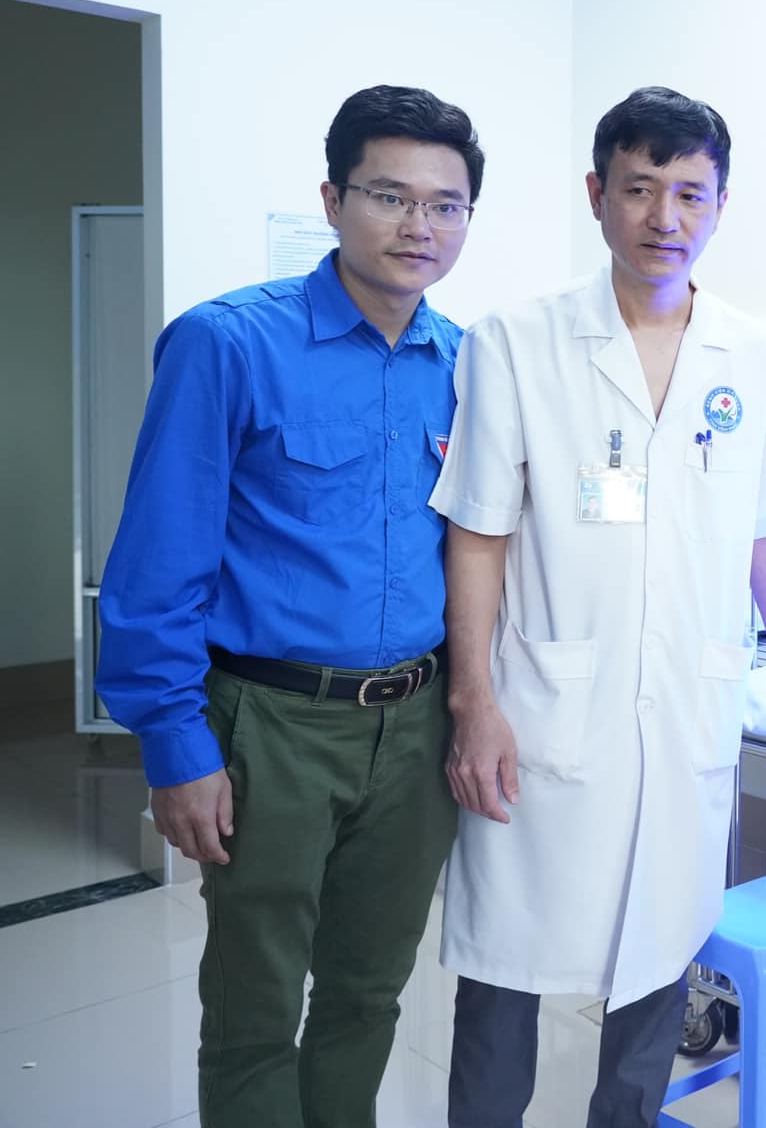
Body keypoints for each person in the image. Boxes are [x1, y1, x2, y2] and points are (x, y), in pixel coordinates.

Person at [431, 86, 766, 1128]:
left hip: (688, 705)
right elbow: (478, 530)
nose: (666, 217)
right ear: (597, 195)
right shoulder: (515, 342)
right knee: (504, 971)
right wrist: (473, 701)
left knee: (658, 960)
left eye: (691, 193)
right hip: (542, 703)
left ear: (721, 204)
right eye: (640, 189)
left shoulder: (756, 357)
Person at [96, 86, 483, 1128]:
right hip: (270, 724)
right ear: (332, 198)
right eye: (389, 196)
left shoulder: (465, 364)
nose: (418, 226)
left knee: (369, 991)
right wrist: (174, 743)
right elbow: (157, 563)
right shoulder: (227, 344)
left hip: (414, 728)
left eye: (445, 205)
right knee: (255, 1007)